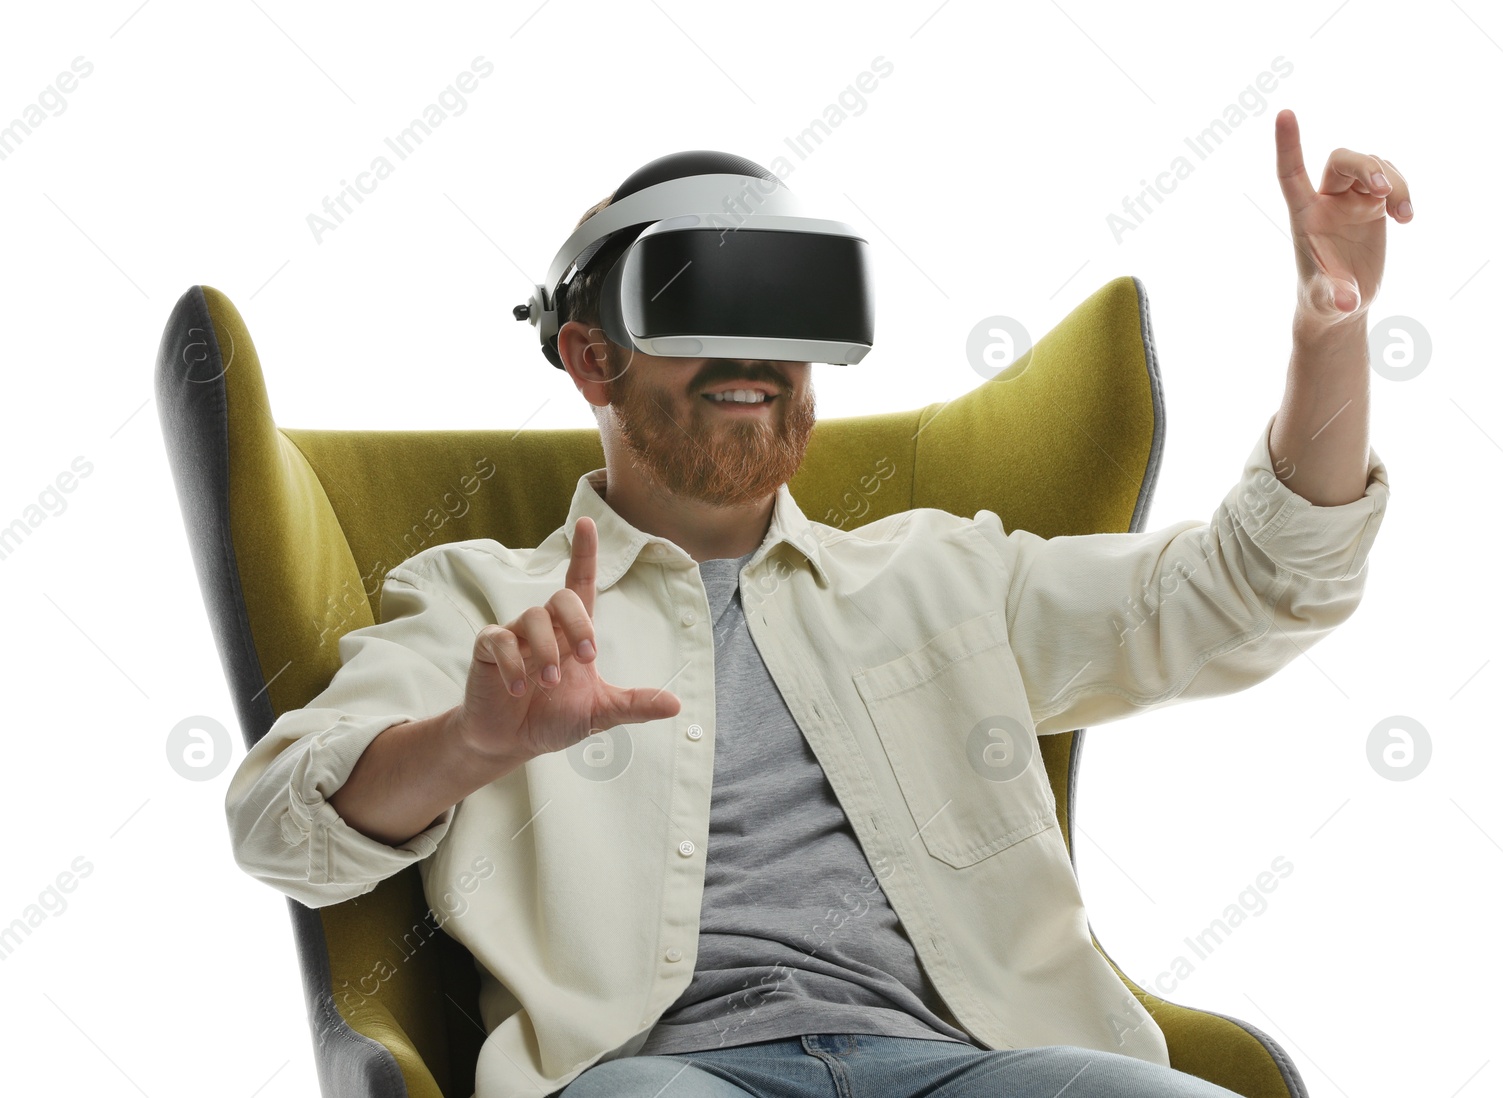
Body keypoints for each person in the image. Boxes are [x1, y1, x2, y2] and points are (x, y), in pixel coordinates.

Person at [226, 119, 1405, 1098]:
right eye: (702, 302)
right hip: (659, 1073)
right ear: (592, 360)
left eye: (785, 312)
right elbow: (280, 824)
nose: (754, 354)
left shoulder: (946, 573)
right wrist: (470, 742)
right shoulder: (483, 603)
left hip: (970, 1064)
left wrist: (1333, 335)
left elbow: (1250, 592)